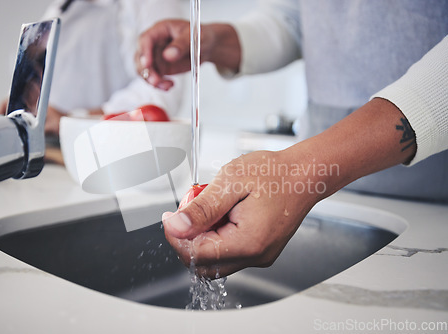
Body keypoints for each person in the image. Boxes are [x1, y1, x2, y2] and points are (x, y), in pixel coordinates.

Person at [135, 0, 448, 278]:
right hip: (327, 195)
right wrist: (216, 40)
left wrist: (305, 169)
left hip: (435, 204)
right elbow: (300, 16)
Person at [36, 0, 184, 135]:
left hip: (114, 144)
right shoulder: (59, 8)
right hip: (53, 147)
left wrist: (73, 120)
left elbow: (162, 95)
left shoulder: (152, 5)